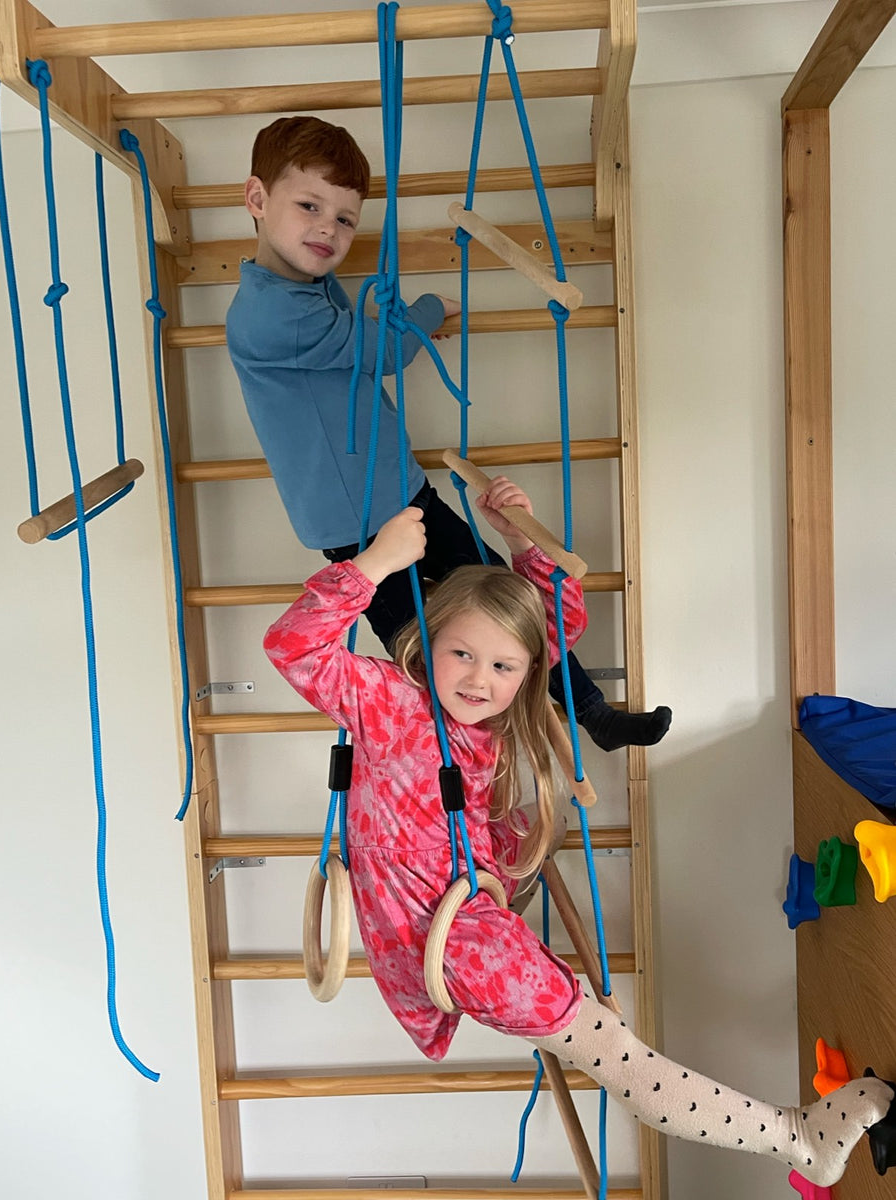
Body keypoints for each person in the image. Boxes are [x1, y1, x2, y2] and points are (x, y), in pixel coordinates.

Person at [264, 476, 893, 1189]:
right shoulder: (387, 700)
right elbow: (293, 646)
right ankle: (794, 1137)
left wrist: (519, 537)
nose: (479, 680)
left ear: (528, 674)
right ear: (430, 638)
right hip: (444, 936)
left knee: (616, 1050)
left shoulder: (496, 723)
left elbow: (553, 623)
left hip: (467, 912)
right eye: (462, 654)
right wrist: (374, 565)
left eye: (503, 667)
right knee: (616, 1054)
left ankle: (794, 1136)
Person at [227, 114, 672, 754]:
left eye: (346, 218)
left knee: (507, 606)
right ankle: (466, 763)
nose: (328, 227)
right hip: (360, 530)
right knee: (425, 650)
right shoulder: (270, 313)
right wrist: (426, 313)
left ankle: (592, 713)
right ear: (257, 200)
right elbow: (378, 352)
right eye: (308, 206)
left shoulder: (308, 287)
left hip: (406, 494)